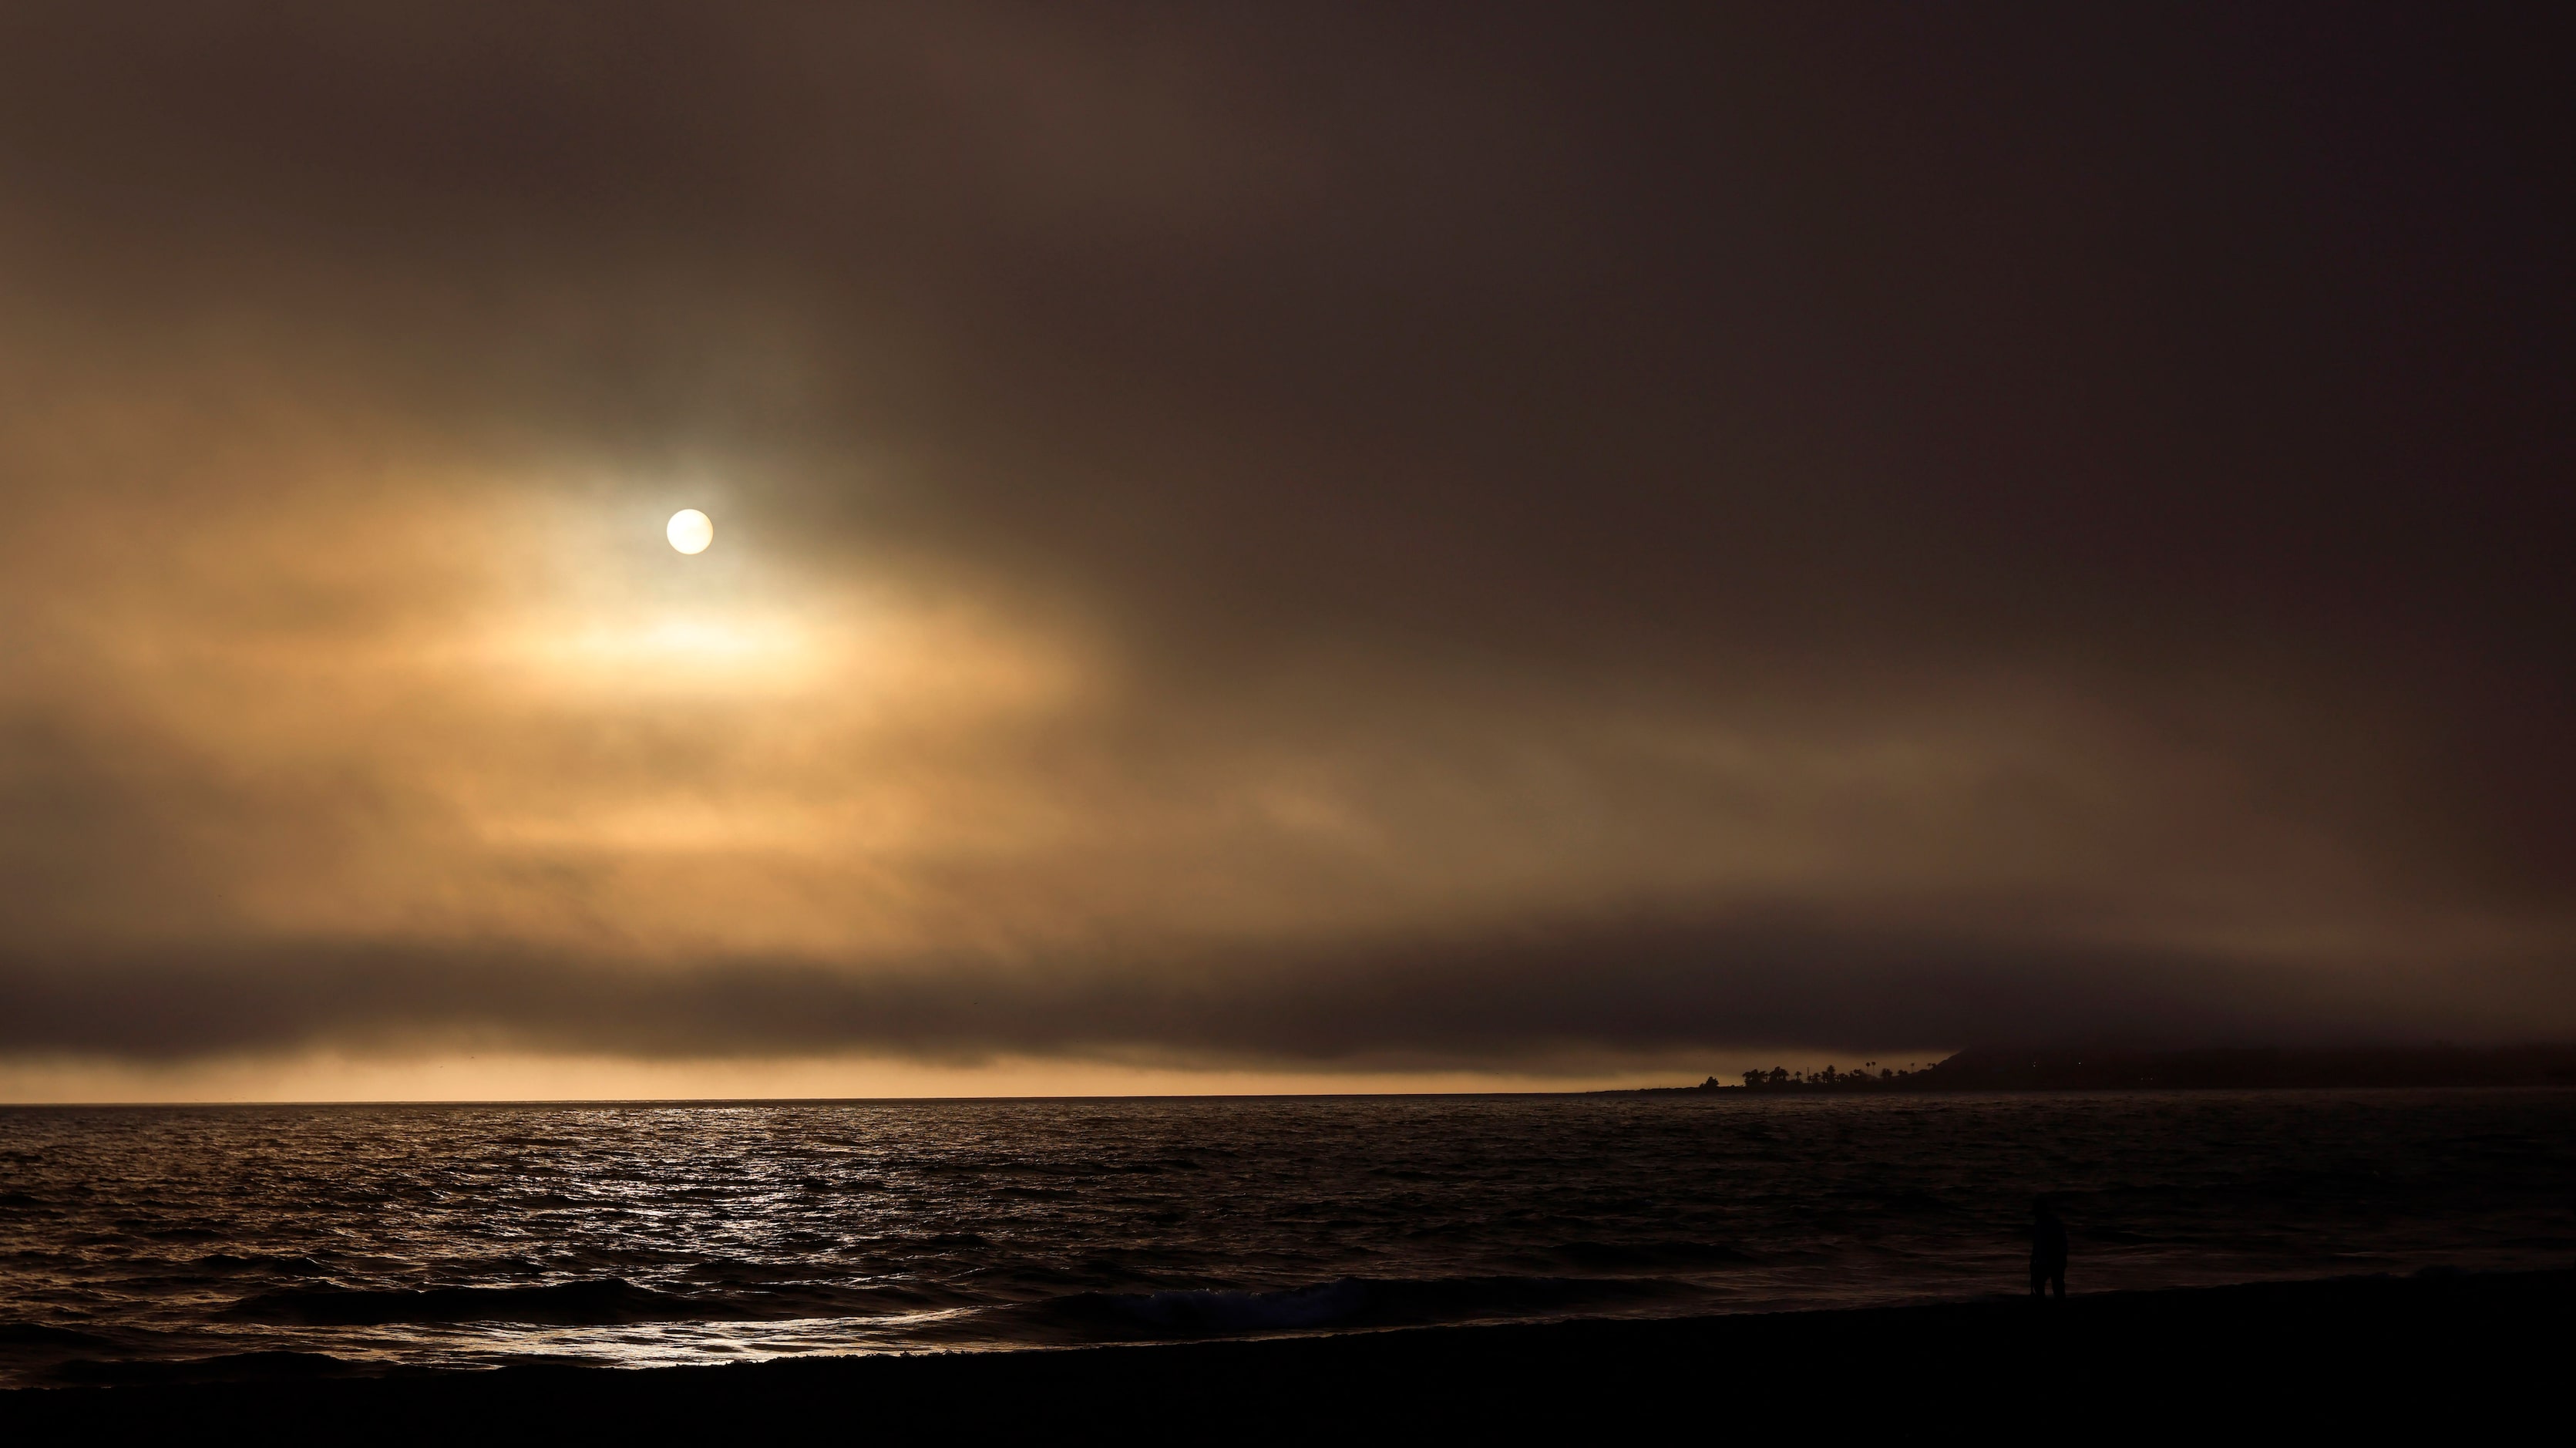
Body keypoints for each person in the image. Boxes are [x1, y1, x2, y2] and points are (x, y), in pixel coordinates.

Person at [2030, 1195, 2067, 1299]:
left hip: (2055, 1260)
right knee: (2039, 1283)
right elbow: (2037, 1244)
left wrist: (2061, 1258)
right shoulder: (2038, 1224)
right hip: (2044, 1261)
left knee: (2057, 1285)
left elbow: (2062, 1243)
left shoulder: (2054, 1223)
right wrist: (2033, 1258)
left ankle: (2059, 1305)